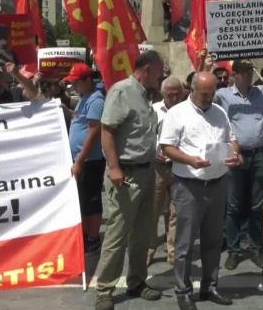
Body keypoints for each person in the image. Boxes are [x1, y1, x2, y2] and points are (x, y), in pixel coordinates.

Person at [160, 72, 242, 310]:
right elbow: (166, 147)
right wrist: (189, 160)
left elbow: (232, 139)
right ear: (192, 90)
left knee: (214, 240)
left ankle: (210, 285)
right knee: (184, 244)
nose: (208, 98)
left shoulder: (220, 112)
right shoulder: (177, 113)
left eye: (212, 93)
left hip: (217, 184)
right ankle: (183, 291)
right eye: (204, 93)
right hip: (189, 186)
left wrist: (235, 154)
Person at [95, 51, 165, 310]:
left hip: (147, 172)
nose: (161, 76)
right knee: (118, 233)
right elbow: (107, 131)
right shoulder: (122, 91)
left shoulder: (146, 95)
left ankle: (137, 280)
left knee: (143, 232)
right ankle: (105, 290)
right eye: (159, 71)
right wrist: (114, 167)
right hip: (125, 174)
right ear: (146, 69)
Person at [215, 56, 263, 270]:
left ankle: (256, 248)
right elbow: (199, 93)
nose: (249, 75)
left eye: (251, 72)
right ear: (236, 75)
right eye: (245, 72)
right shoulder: (223, 95)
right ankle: (233, 250)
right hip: (236, 155)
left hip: (259, 156)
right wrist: (204, 65)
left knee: (256, 205)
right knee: (233, 205)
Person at [64, 63, 106, 252]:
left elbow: (94, 130)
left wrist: (80, 160)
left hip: (90, 160)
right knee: (83, 199)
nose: (73, 86)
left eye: (76, 83)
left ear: (88, 80)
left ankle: (93, 237)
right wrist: (67, 111)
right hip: (82, 158)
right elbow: (82, 120)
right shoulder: (86, 98)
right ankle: (86, 234)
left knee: (91, 200)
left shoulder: (96, 100)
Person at [148, 76, 184, 266]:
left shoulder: (186, 111)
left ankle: (173, 253)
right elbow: (147, 135)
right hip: (158, 167)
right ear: (163, 93)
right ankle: (149, 250)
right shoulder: (153, 110)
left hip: (179, 167)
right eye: (170, 94)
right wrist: (153, 153)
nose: (175, 97)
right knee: (152, 211)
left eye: (178, 93)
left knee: (176, 212)